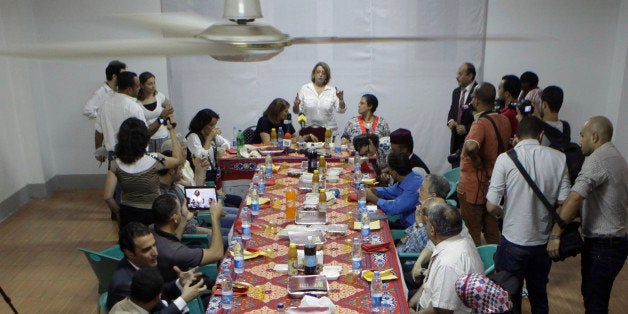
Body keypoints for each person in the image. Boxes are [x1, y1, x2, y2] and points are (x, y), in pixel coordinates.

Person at [486, 116, 571, 313]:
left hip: (512, 241)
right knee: (539, 294)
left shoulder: (505, 159)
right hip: (542, 243)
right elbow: (564, 202)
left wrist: (503, 213)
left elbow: (491, 207)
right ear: (541, 134)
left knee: (508, 296)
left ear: (516, 136)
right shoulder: (559, 158)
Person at [547, 116, 627, 313]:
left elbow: (575, 198)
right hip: (616, 242)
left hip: (603, 246)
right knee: (597, 299)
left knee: (594, 302)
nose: (580, 140)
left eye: (582, 136)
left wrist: (555, 234)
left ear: (595, 137)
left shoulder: (597, 160)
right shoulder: (616, 157)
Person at [103, 117, 184, 227]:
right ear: (145, 138)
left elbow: (108, 197)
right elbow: (178, 159)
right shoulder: (155, 159)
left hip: (128, 213)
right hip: (153, 213)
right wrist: (171, 130)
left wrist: (118, 212)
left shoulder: (115, 163)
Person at [107, 222, 204, 312]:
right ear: (130, 253)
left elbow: (157, 291)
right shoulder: (122, 285)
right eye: (147, 249)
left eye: (154, 245)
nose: (155, 253)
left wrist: (179, 283)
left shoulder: (144, 262)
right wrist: (183, 300)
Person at [458, 82, 511, 246]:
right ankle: (495, 267)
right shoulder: (504, 120)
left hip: (473, 186)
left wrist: (477, 162)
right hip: (494, 183)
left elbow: (471, 146)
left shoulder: (480, 123)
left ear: (477, 100)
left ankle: (476, 269)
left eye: (473, 96)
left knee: (472, 233)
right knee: (492, 231)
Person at [408, 203, 484, 313]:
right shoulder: (458, 241)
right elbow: (430, 284)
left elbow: (440, 310)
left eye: (427, 224)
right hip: (426, 303)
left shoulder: (448, 263)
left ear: (432, 230)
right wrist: (411, 302)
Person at [95, 71, 165, 164]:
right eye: (137, 86)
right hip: (133, 157)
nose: (139, 89)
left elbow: (99, 131)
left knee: (114, 177)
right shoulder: (133, 107)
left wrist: (98, 151)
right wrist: (161, 118)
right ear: (129, 89)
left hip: (113, 156)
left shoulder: (105, 104)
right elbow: (145, 134)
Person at [152, 194, 224, 282]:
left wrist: (185, 218)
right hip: (180, 288)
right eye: (179, 211)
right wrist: (215, 217)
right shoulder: (176, 251)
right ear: (174, 217)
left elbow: (175, 238)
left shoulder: (152, 229)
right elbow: (217, 254)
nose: (181, 212)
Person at [185, 109, 242, 208]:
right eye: (211, 125)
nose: (213, 128)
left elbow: (227, 143)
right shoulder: (193, 137)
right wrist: (209, 138)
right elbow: (201, 157)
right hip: (202, 178)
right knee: (235, 202)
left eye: (215, 125)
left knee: (239, 200)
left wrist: (222, 149)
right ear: (202, 123)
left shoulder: (212, 135)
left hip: (213, 175)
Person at [365, 150, 422, 229]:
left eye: (389, 169)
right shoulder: (409, 177)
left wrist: (374, 198)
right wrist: (374, 191)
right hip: (402, 220)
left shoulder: (415, 186)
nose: (388, 171)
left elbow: (394, 208)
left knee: (368, 224)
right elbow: (391, 191)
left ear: (394, 172)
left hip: (410, 228)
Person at [109, 267, 205, 314]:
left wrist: (180, 283)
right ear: (158, 297)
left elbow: (161, 290)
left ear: (130, 286)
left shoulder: (125, 303)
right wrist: (183, 300)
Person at [293, 62, 346, 131]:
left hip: (328, 130)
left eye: (323, 73)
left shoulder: (332, 90)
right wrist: (296, 105)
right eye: (318, 72)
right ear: (314, 74)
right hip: (309, 130)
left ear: (327, 76)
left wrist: (341, 99)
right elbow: (296, 111)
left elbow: (341, 110)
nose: (320, 75)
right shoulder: (305, 88)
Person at [446, 62, 477, 168]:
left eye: (460, 74)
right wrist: (450, 121)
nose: (457, 77)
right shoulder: (456, 92)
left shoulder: (479, 91)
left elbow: (482, 118)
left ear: (470, 76)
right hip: (455, 145)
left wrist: (467, 128)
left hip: (471, 145)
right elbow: (452, 110)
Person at [138, 71, 176, 152]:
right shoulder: (137, 102)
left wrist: (170, 119)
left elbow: (170, 108)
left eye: (154, 83)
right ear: (142, 85)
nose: (153, 86)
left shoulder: (159, 96)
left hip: (163, 135)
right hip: (148, 137)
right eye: (149, 84)